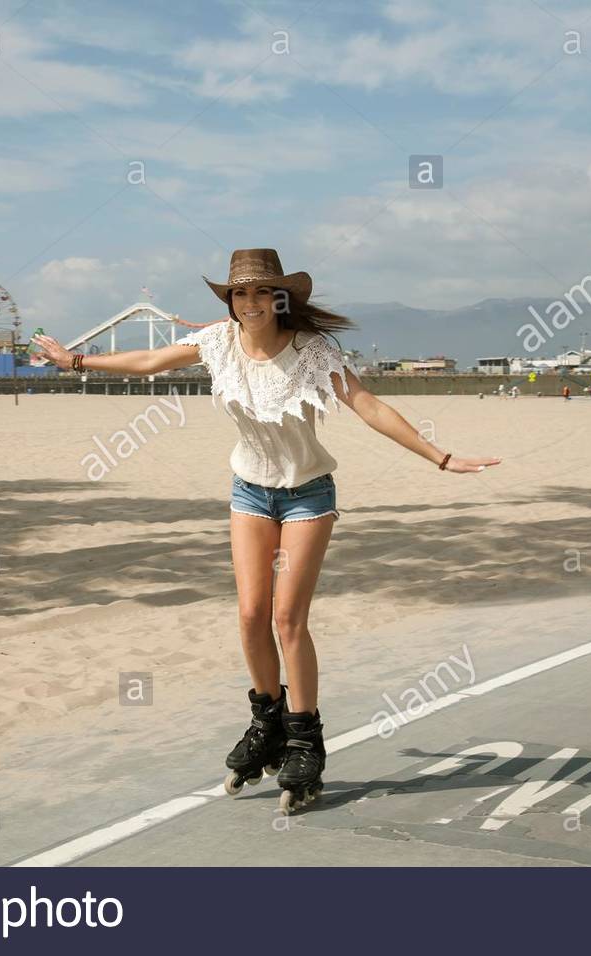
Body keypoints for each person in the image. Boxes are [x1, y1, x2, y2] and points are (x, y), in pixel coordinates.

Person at [31, 249, 502, 814]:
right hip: (249, 490)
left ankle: (305, 736)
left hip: (308, 494)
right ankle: (267, 722)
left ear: (280, 298)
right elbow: (151, 361)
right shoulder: (216, 343)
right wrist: (77, 363)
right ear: (229, 300)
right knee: (251, 614)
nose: (249, 303)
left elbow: (368, 405)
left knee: (287, 618)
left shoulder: (312, 351)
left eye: (260, 292)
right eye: (239, 293)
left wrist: (440, 457)